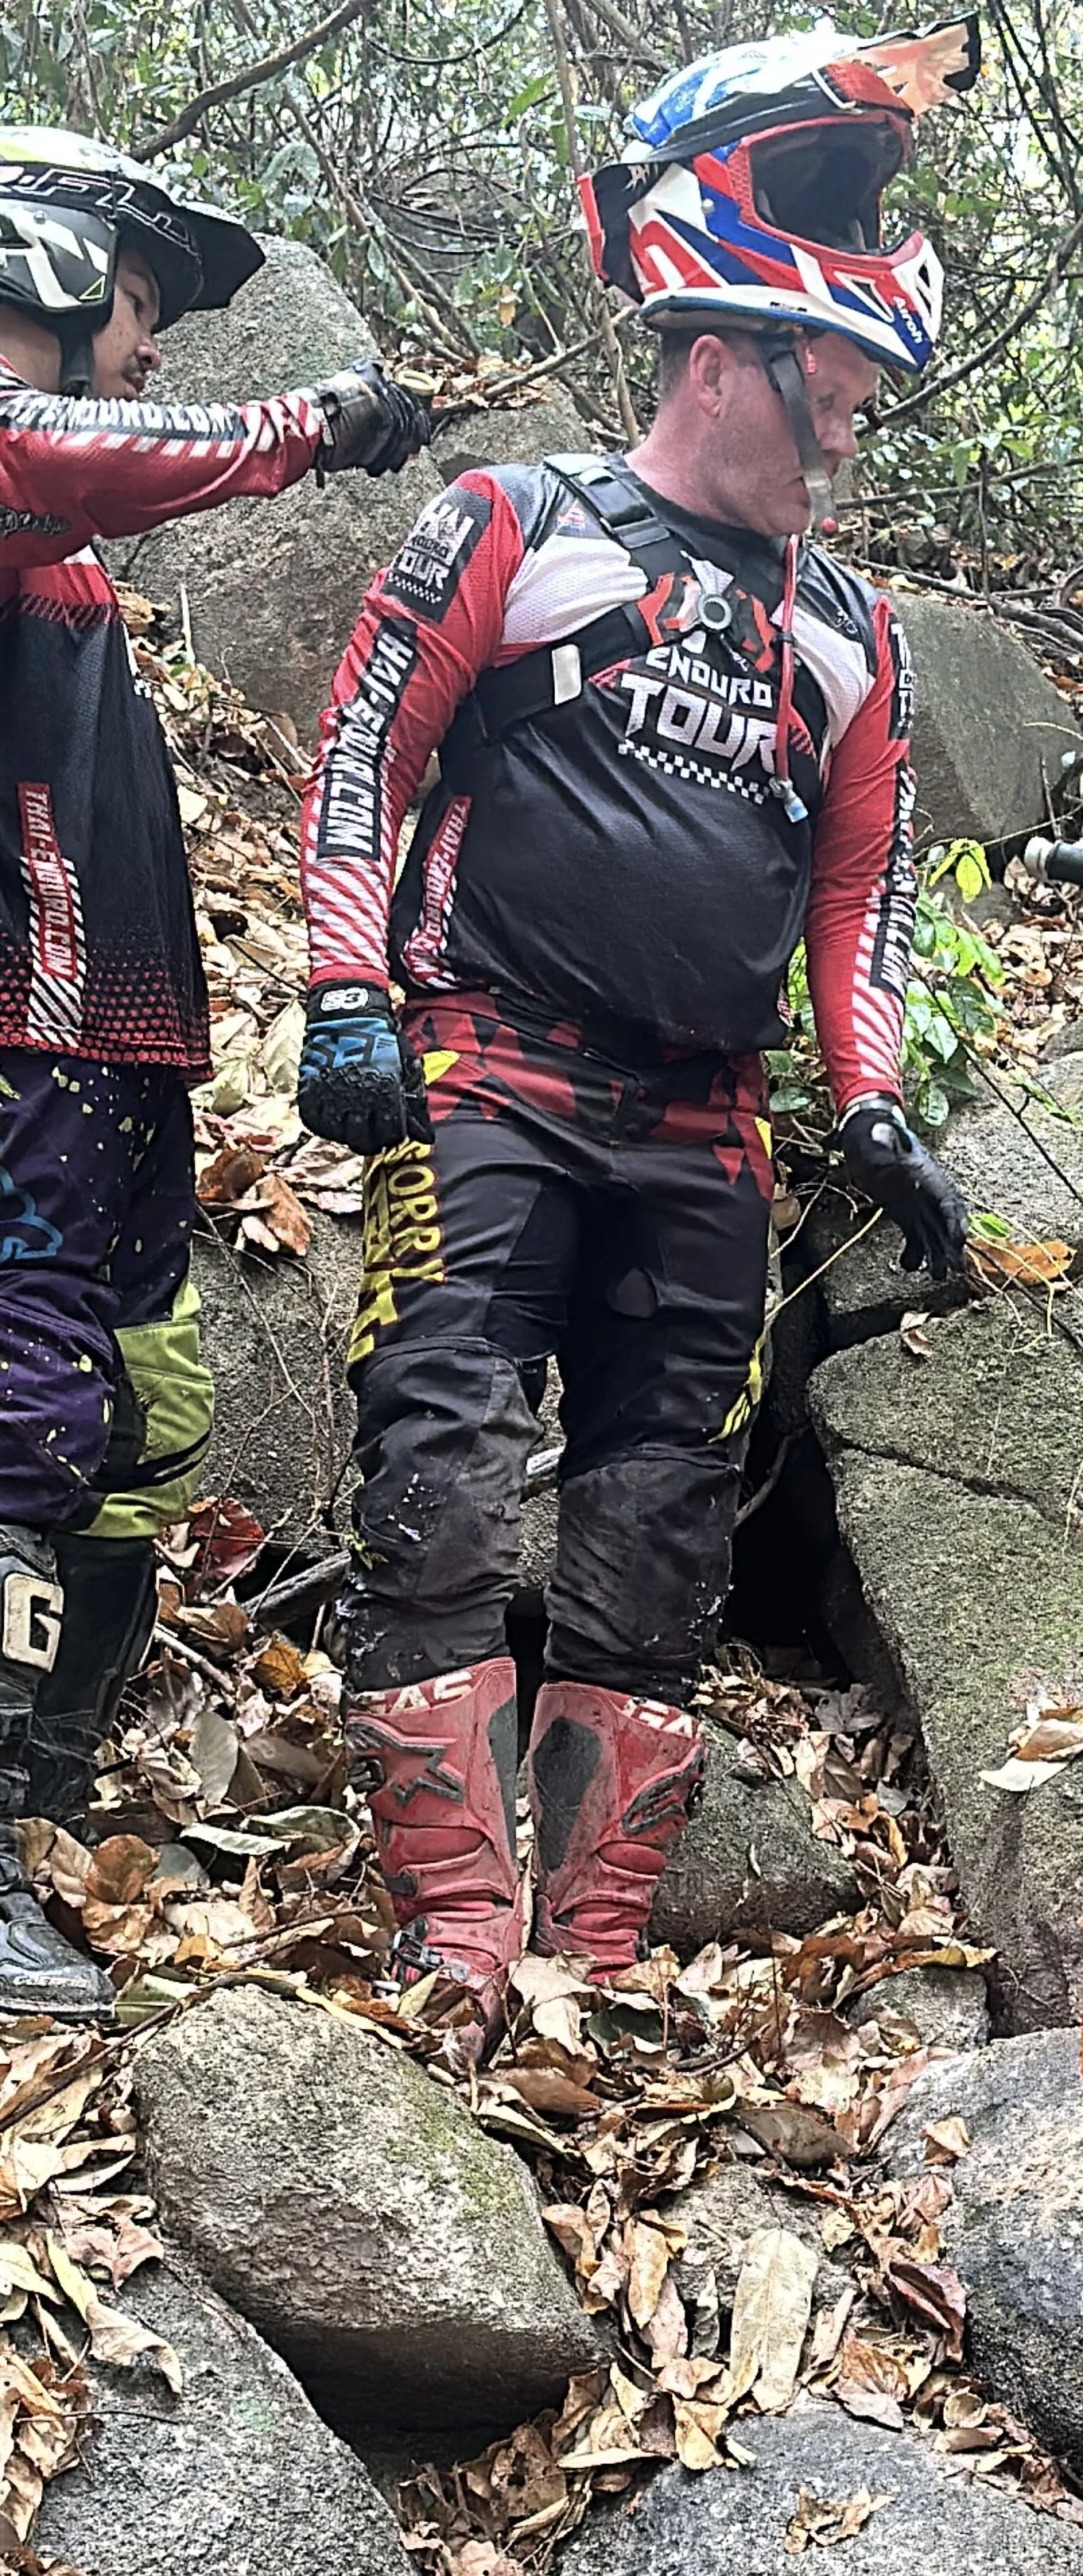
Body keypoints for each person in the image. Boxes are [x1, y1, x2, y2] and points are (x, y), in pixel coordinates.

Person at [297, 22, 979, 2040]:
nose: (851, 427)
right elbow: (361, 753)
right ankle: (452, 1928)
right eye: (833, 389)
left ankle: (585, 1945)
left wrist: (872, 1106)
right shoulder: (507, 520)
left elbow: (859, 895)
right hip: (484, 1067)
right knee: (434, 1466)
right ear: (715, 356)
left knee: (661, 1520)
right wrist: (343, 988)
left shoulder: (859, 637)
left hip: (706, 1127)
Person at [0, 128, 429, 2016]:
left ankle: (48, 1808)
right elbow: (80, 453)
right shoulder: (20, 460)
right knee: (22, 1422)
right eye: (142, 312)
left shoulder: (63, 539)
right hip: (13, 1043)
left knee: (140, 1424)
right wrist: (315, 422)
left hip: (115, 1055)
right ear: (54, 278)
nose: (153, 354)